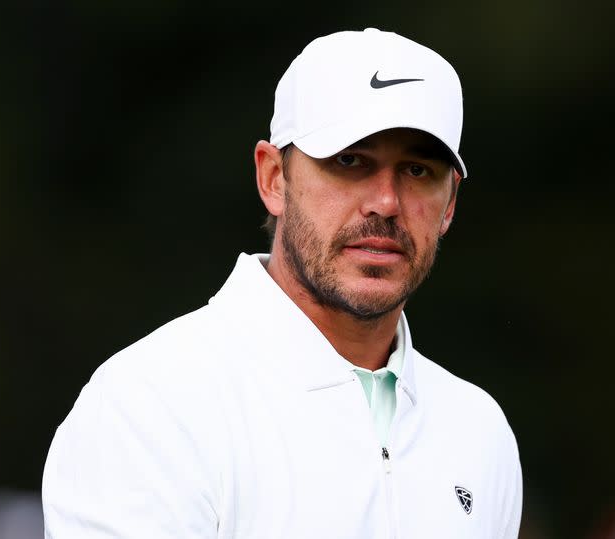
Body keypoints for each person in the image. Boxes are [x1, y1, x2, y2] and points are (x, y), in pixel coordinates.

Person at [42, 28, 522, 538]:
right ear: (274, 178)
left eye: (418, 170)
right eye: (350, 162)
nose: (385, 201)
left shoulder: (478, 431)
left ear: (449, 204)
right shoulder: (150, 406)